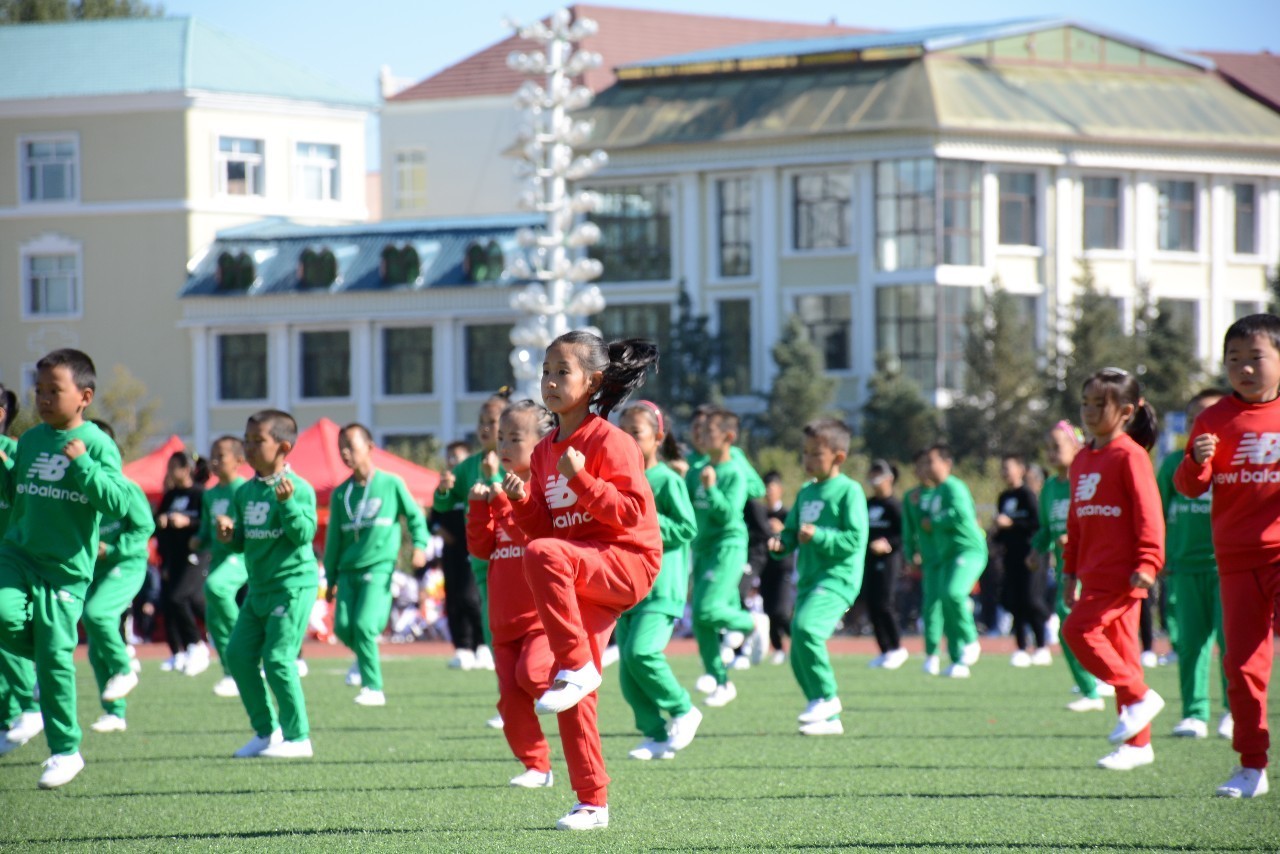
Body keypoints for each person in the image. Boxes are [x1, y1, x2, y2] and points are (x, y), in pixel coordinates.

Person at [505, 331, 661, 831]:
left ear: (594, 381)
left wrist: (583, 481)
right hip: (583, 567)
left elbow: (632, 513)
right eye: (546, 371)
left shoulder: (610, 441)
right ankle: (592, 804)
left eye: (562, 372)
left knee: (546, 557)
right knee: (570, 692)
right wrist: (522, 501)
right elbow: (547, 531)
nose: (550, 381)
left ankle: (577, 666)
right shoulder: (544, 452)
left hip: (626, 560)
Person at [0, 349, 132, 788]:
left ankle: (65, 752)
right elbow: (18, 494)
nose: (42, 399)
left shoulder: (96, 444)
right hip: (18, 555)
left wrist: (84, 465)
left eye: (54, 391)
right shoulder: (32, 440)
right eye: (38, 390)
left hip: (65, 573)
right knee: (4, 613)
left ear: (84, 397)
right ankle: (39, 665)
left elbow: (117, 502)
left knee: (56, 656)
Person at [1175, 313, 1280, 798]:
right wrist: (1196, 459)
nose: (1244, 368)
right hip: (1234, 561)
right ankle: (1251, 767)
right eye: (1234, 359)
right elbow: (1188, 486)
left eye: (1256, 357)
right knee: (1240, 666)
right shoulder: (1213, 419)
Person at [1062, 367, 1166, 772]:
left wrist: (1148, 561)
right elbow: (1076, 521)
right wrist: (1071, 572)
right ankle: (1138, 745)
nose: (1089, 411)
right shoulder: (1083, 458)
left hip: (1125, 574)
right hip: (1093, 574)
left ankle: (1140, 696)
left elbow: (1149, 514)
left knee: (1076, 630)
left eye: (1098, 404)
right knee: (1123, 652)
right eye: (1085, 403)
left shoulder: (1130, 456)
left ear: (1125, 411)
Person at [215, 409, 319, 759]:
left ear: (283, 447)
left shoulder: (298, 488)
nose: (249, 447)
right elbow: (245, 541)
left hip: (292, 586)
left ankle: (299, 738)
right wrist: (231, 536)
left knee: (277, 659)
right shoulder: (245, 492)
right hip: (258, 589)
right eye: (247, 440)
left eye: (258, 441)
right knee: (238, 655)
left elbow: (303, 534)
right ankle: (266, 732)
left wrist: (287, 505)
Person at [466, 399, 557, 787]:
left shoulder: (545, 488)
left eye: (515, 438)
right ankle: (537, 767)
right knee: (510, 700)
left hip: (540, 617)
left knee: (533, 673)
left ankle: (578, 700)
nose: (503, 446)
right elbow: (482, 549)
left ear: (541, 443)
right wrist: (477, 505)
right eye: (500, 437)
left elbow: (536, 534)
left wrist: (505, 501)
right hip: (502, 621)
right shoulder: (496, 490)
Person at [768, 419, 868, 736]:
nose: (808, 460)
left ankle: (827, 696)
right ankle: (826, 717)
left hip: (838, 580)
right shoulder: (807, 491)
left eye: (816, 454)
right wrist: (781, 544)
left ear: (838, 457)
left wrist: (820, 536)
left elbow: (854, 539)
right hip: (810, 580)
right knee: (797, 642)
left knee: (806, 628)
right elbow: (792, 533)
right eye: (805, 453)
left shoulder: (849, 491)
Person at [617, 401, 702, 760]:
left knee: (642, 653)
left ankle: (684, 709)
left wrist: (643, 524)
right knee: (627, 670)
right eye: (623, 434)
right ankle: (655, 734)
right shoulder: (618, 481)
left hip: (661, 585)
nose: (628, 441)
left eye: (636, 433)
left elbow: (686, 527)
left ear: (659, 437)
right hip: (624, 588)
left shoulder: (666, 479)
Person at [324, 424, 429, 706]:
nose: (345, 453)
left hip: (379, 569)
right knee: (343, 628)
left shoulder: (390, 484)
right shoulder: (340, 493)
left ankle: (374, 688)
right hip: (347, 572)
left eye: (352, 447)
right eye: (341, 448)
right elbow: (334, 541)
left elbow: (416, 518)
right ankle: (362, 658)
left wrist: (420, 547)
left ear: (370, 448)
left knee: (364, 624)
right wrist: (331, 579)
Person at [1158, 389, 1232, 741]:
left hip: (1229, 567)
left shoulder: (1237, 459)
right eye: (1192, 421)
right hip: (1184, 568)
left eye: (1207, 418)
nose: (1198, 427)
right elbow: (1155, 513)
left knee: (1232, 643)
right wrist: (1160, 555)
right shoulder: (1174, 463)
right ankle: (1194, 713)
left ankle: (1234, 711)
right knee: (1189, 642)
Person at [1030, 421, 1113, 712]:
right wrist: (1036, 549)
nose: (1052, 453)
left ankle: (1100, 684)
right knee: (1070, 626)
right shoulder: (1050, 487)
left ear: (1076, 446)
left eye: (1058, 446)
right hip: (1066, 571)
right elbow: (1045, 528)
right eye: (1048, 448)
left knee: (1081, 626)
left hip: (1091, 567)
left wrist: (1078, 538)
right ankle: (1093, 686)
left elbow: (1101, 519)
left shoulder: (1085, 479)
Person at [82, 419, 155, 734]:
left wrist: (111, 549)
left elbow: (143, 528)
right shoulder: (78, 487)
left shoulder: (126, 487)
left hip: (126, 565)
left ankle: (126, 667)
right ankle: (114, 712)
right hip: (92, 569)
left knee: (96, 615)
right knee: (96, 642)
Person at [686, 407, 759, 708]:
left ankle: (752, 622)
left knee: (706, 610)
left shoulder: (732, 472)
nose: (702, 436)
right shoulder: (698, 469)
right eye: (701, 431)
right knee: (702, 622)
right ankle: (721, 681)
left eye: (710, 432)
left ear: (728, 437)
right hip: (702, 549)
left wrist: (711, 488)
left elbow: (729, 515)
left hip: (728, 547)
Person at [434, 392, 510, 676]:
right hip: (481, 554)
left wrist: (494, 476)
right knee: (492, 621)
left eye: (492, 421)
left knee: (517, 622)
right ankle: (506, 695)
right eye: (481, 422)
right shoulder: (467, 466)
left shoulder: (516, 460)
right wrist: (443, 490)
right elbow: (444, 504)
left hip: (513, 553)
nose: (485, 428)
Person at [919, 444, 987, 678]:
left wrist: (934, 521)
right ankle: (958, 660)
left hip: (968, 551)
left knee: (954, 594)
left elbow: (960, 514)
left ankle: (971, 640)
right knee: (945, 605)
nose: (927, 467)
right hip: (947, 556)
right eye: (926, 462)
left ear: (947, 464)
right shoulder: (936, 492)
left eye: (932, 461)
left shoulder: (953, 486)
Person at [0, 383, 42, 758]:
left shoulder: (17, 451)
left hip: (14, 558)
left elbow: (29, 500)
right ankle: (10, 715)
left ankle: (29, 705)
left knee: (5, 622)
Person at [191, 436, 249, 698]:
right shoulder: (210, 495)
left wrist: (232, 527)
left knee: (214, 587)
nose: (214, 461)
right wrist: (197, 539)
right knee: (214, 622)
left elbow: (251, 528)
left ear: (239, 460)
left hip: (241, 556)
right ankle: (232, 674)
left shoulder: (244, 490)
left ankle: (249, 640)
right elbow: (205, 530)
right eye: (212, 456)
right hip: (218, 558)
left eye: (221, 456)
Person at [431, 440, 485, 671]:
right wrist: (439, 531)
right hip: (450, 551)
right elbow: (432, 519)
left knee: (472, 597)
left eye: (457, 457)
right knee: (453, 598)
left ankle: (482, 646)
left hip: (474, 549)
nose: (453, 462)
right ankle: (462, 648)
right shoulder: (445, 487)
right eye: (449, 457)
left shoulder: (474, 485)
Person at [994, 454, 1049, 667]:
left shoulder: (1028, 495)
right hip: (1011, 555)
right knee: (1015, 601)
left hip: (1031, 554)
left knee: (1031, 599)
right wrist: (996, 531)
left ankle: (1042, 646)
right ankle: (1020, 647)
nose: (1005, 472)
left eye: (1009, 468)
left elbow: (1036, 523)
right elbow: (1003, 528)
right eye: (1003, 468)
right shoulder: (1003, 497)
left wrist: (1012, 523)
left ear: (1021, 469)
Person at [155, 451, 208, 675]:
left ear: (186, 469)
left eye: (173, 466)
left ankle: (197, 645)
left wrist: (187, 522)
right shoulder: (169, 496)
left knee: (181, 597)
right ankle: (180, 651)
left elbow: (206, 524)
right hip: (172, 558)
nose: (169, 472)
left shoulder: (200, 494)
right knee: (171, 602)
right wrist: (161, 522)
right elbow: (156, 525)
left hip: (195, 555)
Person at [903, 450, 948, 675]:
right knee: (930, 605)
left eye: (928, 464)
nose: (924, 470)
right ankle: (932, 653)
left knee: (952, 601)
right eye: (920, 466)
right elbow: (909, 530)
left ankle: (959, 650)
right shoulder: (911, 496)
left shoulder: (945, 491)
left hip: (950, 556)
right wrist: (911, 555)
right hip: (930, 559)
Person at [863, 459, 907, 670]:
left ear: (889, 478)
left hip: (888, 561)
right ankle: (884, 650)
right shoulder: (868, 504)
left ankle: (897, 647)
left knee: (885, 603)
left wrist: (888, 544)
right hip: (868, 560)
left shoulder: (895, 506)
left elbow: (903, 534)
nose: (874, 479)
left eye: (878, 474)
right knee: (871, 604)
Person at [758, 471, 794, 665]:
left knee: (780, 610)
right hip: (765, 566)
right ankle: (778, 648)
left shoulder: (787, 514)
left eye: (771, 488)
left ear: (780, 490)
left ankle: (795, 641)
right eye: (766, 489)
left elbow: (795, 536)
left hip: (783, 567)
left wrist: (783, 530)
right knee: (768, 610)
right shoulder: (761, 514)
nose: (768, 493)